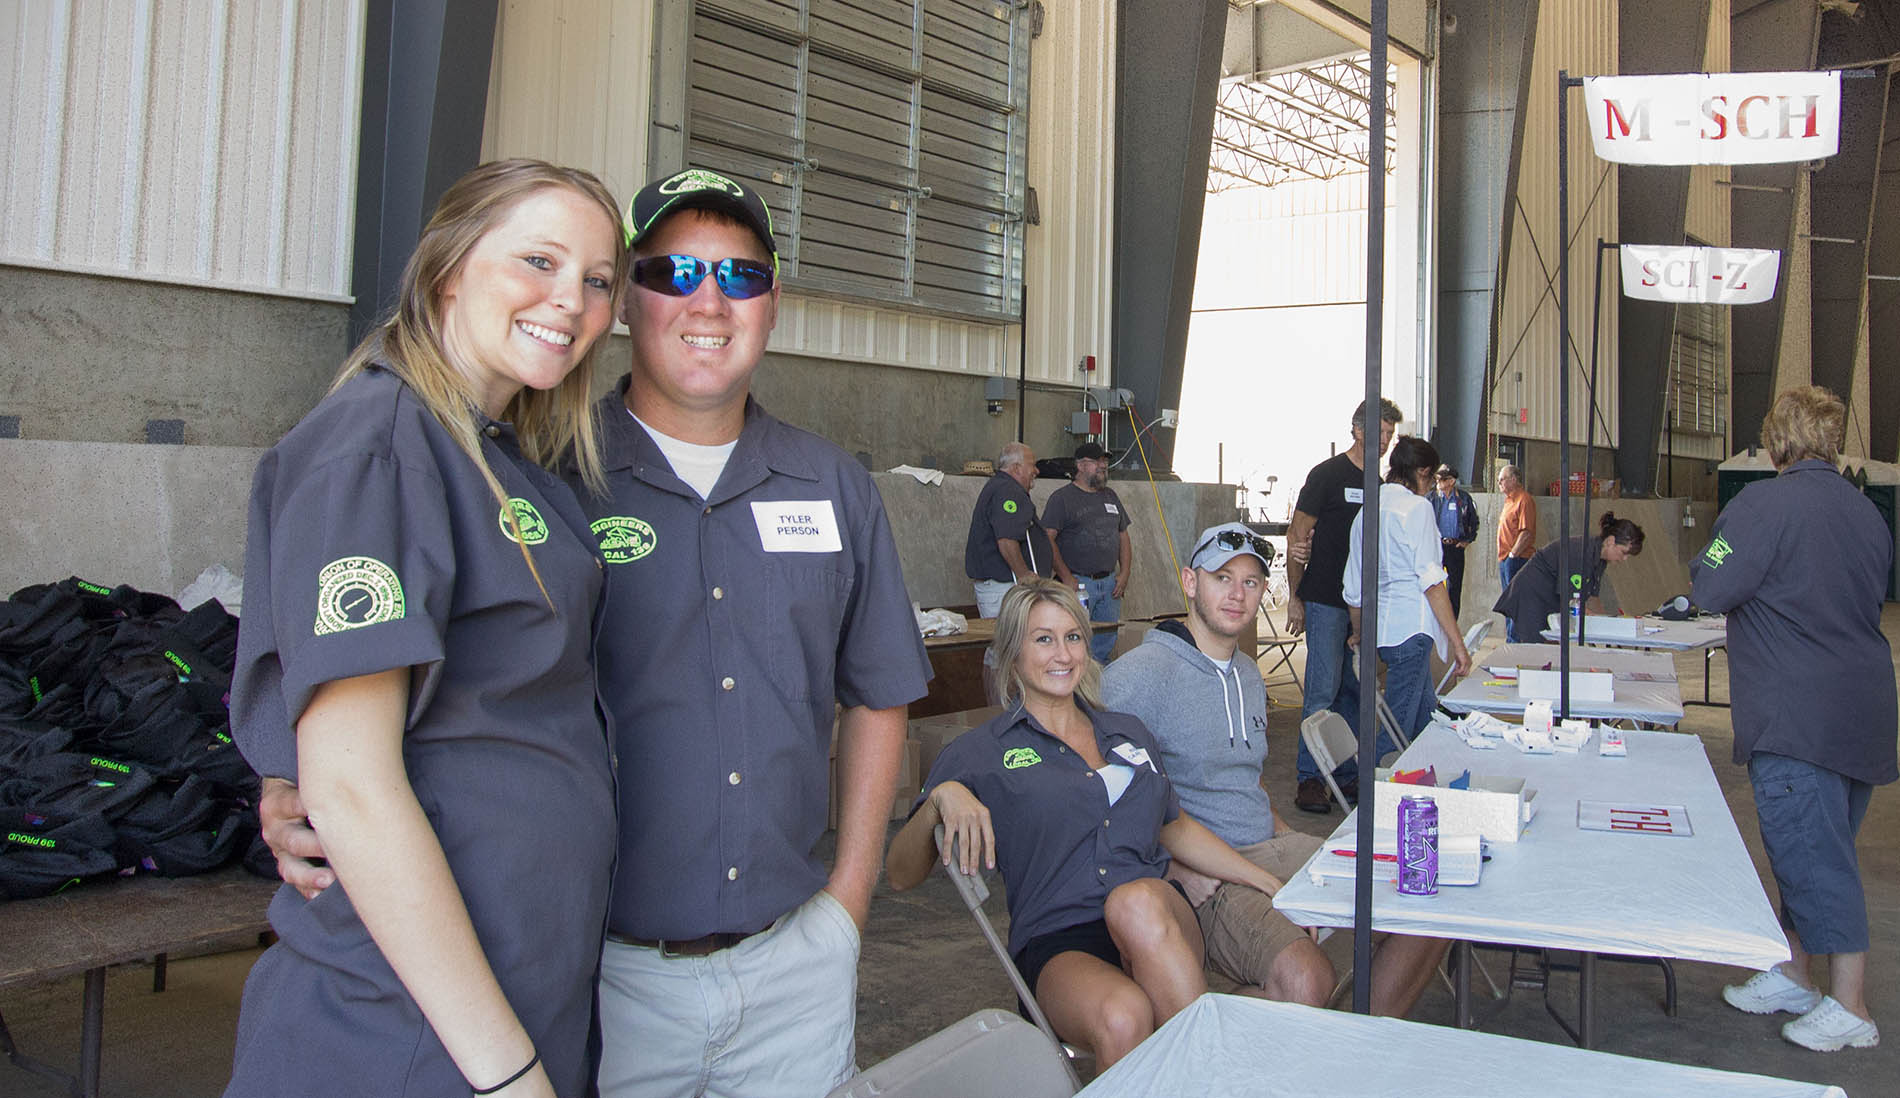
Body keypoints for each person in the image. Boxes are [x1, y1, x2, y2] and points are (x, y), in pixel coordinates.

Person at [259, 166, 935, 1097]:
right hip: (584, 976)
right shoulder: (534, 472)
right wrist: (299, 777)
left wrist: (847, 904)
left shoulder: (829, 487)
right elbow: (356, 706)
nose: (708, 300)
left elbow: (879, 691)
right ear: (628, 307)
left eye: (741, 276)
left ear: (774, 303)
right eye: (669, 273)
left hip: (776, 964)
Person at [226, 159, 627, 1097]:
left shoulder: (502, 457)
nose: (569, 300)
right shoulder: (377, 444)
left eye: (598, 279)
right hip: (410, 1031)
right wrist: (506, 1073)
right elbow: (352, 787)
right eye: (539, 260)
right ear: (448, 268)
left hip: (514, 985)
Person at [887, 579, 1286, 1067]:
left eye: (1073, 637)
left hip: (1158, 919)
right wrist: (939, 798)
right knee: (1123, 1016)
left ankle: (1208, 1072)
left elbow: (1175, 826)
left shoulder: (1126, 731)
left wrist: (1262, 879)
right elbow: (900, 874)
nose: (1063, 654)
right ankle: (1210, 1060)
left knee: (1135, 901)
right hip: (1059, 938)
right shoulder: (980, 752)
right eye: (1043, 639)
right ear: (1013, 653)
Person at [1102, 523, 1450, 1015]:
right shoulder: (1144, 672)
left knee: (1426, 894)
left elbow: (1246, 776)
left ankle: (1346, 1040)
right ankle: (1220, 1025)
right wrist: (1170, 865)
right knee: (1305, 978)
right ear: (1190, 582)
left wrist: (1285, 834)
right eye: (1222, 578)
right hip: (1210, 872)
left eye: (1250, 582)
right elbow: (1092, 778)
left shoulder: (1246, 672)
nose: (1237, 594)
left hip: (1270, 844)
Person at [1691, 385, 1895, 1053]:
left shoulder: (1760, 505)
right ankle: (1792, 972)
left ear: (1776, 441)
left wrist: (1707, 557)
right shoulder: (1866, 512)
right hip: (1862, 706)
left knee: (1814, 858)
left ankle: (1851, 1006)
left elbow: (1710, 582)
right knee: (1819, 845)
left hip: (1794, 712)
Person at [1286, 398, 1404, 814]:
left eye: (1390, 434)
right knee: (1322, 689)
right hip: (1325, 600)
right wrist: (1295, 597)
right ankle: (1310, 777)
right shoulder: (1327, 475)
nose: (1385, 440)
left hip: (1363, 606)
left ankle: (1346, 772)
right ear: (1357, 430)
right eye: (1379, 431)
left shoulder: (1381, 484)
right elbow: (1297, 534)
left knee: (1355, 690)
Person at [1343, 438, 1473, 744]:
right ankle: (1378, 775)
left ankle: (1431, 764)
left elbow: (1354, 588)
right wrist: (1458, 643)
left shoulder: (1366, 511)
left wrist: (1360, 632)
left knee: (1426, 719)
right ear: (1423, 472)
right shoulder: (1418, 508)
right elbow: (1432, 583)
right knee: (1395, 731)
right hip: (1412, 630)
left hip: (1381, 633)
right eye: (1431, 479)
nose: (1430, 488)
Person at [1492, 512, 1644, 645]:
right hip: (1531, 597)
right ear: (1610, 541)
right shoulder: (1581, 553)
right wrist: (1598, 621)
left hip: (1547, 600)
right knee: (1538, 652)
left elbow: (1592, 598)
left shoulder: (1599, 559)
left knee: (1551, 650)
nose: (1625, 559)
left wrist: (1608, 623)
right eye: (1624, 552)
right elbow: (1572, 600)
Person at [1046, 441, 1132, 662]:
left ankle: (1098, 682)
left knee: (1104, 643)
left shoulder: (1110, 496)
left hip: (1110, 584)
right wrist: (1066, 577)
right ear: (1081, 465)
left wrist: (1124, 574)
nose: (1103, 466)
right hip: (1079, 584)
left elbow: (1123, 535)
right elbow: (1047, 539)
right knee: (1075, 639)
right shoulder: (1062, 498)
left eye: (1105, 461)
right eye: (1097, 461)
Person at [965, 441, 1053, 616]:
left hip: (1002, 587)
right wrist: (1023, 575)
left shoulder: (1001, 487)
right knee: (1009, 633)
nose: (1037, 471)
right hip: (1005, 588)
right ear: (1017, 468)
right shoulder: (1008, 491)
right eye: (1032, 465)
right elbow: (1006, 539)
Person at [1430, 464, 1480, 618]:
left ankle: (1452, 622)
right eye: (1437, 479)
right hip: (1436, 547)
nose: (1438, 482)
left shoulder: (1463, 498)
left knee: (1454, 588)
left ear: (1451, 481)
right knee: (1433, 584)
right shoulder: (1431, 498)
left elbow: (1473, 521)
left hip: (1455, 547)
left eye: (1442, 479)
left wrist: (1467, 540)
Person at [1495, 465, 1536, 639]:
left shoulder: (1524, 500)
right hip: (1505, 559)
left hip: (1517, 559)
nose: (1499, 483)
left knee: (1516, 600)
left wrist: (1513, 554)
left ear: (1513, 479)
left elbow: (1526, 532)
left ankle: (1515, 640)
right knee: (1508, 601)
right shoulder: (1508, 501)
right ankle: (1511, 638)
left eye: (1502, 479)